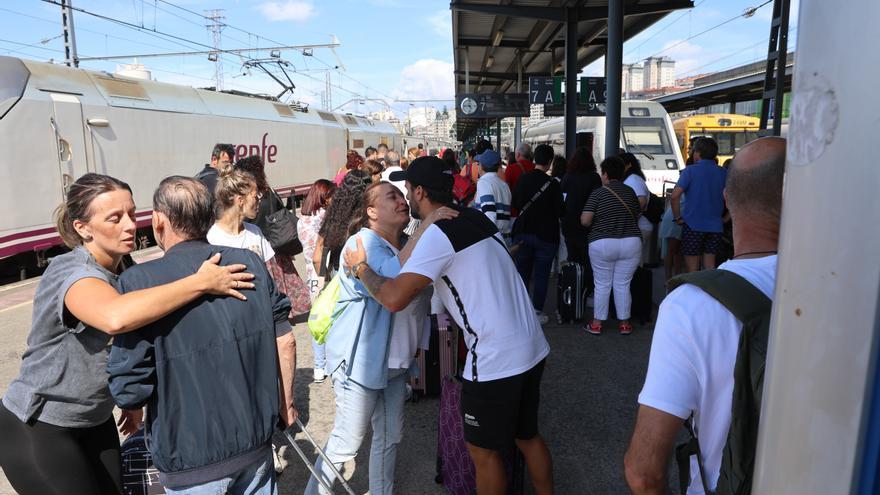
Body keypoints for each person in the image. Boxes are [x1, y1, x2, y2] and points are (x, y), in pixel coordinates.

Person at [0, 173, 252, 495]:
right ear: (83, 228)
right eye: (115, 218)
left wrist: (130, 397)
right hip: (38, 426)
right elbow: (115, 318)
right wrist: (201, 282)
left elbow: (133, 336)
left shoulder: (126, 268)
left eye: (132, 213)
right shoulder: (71, 271)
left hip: (95, 420)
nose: (130, 225)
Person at [342, 156, 554, 495]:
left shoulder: (439, 234)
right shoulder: (477, 218)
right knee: (527, 436)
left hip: (495, 357)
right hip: (532, 345)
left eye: (408, 190)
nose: (406, 197)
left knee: (484, 453)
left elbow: (395, 297)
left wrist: (361, 268)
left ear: (421, 191)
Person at [107, 176, 296, 494]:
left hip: (189, 457)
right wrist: (285, 403)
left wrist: (132, 403)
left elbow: (129, 387)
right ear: (209, 217)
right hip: (255, 443)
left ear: (158, 220)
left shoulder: (138, 281)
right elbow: (286, 340)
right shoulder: (248, 262)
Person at [624, 137, 786, 494]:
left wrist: (680, 217)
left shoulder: (691, 306)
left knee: (700, 269)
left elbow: (644, 473)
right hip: (715, 227)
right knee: (711, 263)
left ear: (731, 197)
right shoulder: (853, 293)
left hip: (696, 228)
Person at [306, 181, 445, 495]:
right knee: (347, 441)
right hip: (361, 364)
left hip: (394, 364)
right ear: (371, 211)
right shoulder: (362, 243)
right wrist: (427, 226)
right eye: (390, 197)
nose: (400, 201)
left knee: (389, 436)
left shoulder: (404, 243)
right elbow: (390, 281)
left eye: (401, 195)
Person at [234, 156, 311, 318]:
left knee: (265, 285)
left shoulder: (246, 197)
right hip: (276, 244)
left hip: (257, 245)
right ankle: (284, 310)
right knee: (283, 282)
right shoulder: (268, 191)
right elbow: (279, 209)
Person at [580, 156, 643, 336]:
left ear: (605, 174)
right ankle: (624, 324)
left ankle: (597, 324)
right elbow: (637, 214)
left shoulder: (599, 193)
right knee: (623, 283)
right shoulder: (630, 192)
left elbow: (585, 220)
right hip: (631, 242)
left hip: (603, 243)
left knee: (602, 284)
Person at [511, 144, 564, 325]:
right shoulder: (554, 184)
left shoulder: (523, 179)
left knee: (522, 273)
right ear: (549, 162)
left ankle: (522, 310)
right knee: (542, 275)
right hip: (547, 236)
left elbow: (516, 203)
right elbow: (560, 211)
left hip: (523, 233)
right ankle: (536, 311)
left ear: (535, 160)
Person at [298, 179, 336, 382]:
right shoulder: (325, 217)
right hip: (326, 274)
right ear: (323, 197)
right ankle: (331, 363)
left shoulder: (302, 219)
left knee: (317, 320)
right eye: (330, 195)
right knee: (331, 320)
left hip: (311, 277)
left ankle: (318, 367)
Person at [670, 137, 727, 272]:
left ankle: (695, 291)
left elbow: (674, 196)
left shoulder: (690, 171)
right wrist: (726, 218)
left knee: (693, 268)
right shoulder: (723, 172)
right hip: (716, 226)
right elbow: (735, 197)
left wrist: (677, 217)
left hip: (693, 225)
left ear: (698, 153)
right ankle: (710, 292)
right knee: (710, 266)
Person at [314, 169, 372, 277]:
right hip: (368, 273)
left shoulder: (333, 215)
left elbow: (318, 257)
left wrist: (325, 277)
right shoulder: (370, 215)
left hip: (339, 273)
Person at [560, 147, 602, 269]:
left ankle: (574, 284)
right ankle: (587, 286)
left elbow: (562, 200)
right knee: (588, 261)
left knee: (573, 259)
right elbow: (598, 201)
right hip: (587, 226)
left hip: (569, 225)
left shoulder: (567, 177)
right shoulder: (594, 178)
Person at [621, 153, 655, 266]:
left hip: (639, 226)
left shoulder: (633, 180)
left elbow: (642, 200)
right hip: (639, 226)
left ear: (629, 165)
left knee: (633, 260)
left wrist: (631, 218)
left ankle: (636, 281)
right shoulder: (633, 179)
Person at [473, 149, 513, 240]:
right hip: (505, 236)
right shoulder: (504, 185)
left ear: (482, 166)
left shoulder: (484, 182)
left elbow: (489, 214)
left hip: (493, 237)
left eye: (478, 163)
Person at [505, 143, 536, 215]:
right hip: (533, 211)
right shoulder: (536, 168)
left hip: (515, 212)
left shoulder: (511, 169)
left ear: (518, 154)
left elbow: (506, 191)